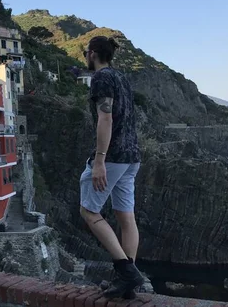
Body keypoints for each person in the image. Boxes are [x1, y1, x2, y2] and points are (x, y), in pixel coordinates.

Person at [79, 36, 144, 298]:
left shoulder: (102, 78)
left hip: (113, 155)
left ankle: (127, 273)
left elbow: (105, 117)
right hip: (132, 156)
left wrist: (99, 160)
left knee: (89, 211)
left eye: (87, 52)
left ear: (92, 53)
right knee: (126, 217)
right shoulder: (122, 78)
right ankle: (127, 280)